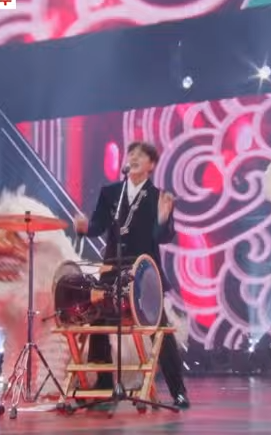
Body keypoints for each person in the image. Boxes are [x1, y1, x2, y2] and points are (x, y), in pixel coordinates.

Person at [74, 141, 189, 409]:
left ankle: (178, 390)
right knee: (98, 321)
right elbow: (98, 226)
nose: (134, 157)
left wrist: (163, 218)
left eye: (141, 155)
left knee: (159, 330)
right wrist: (84, 228)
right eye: (131, 154)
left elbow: (162, 236)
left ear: (151, 165)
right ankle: (103, 385)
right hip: (113, 269)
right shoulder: (110, 193)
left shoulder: (158, 197)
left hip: (145, 273)